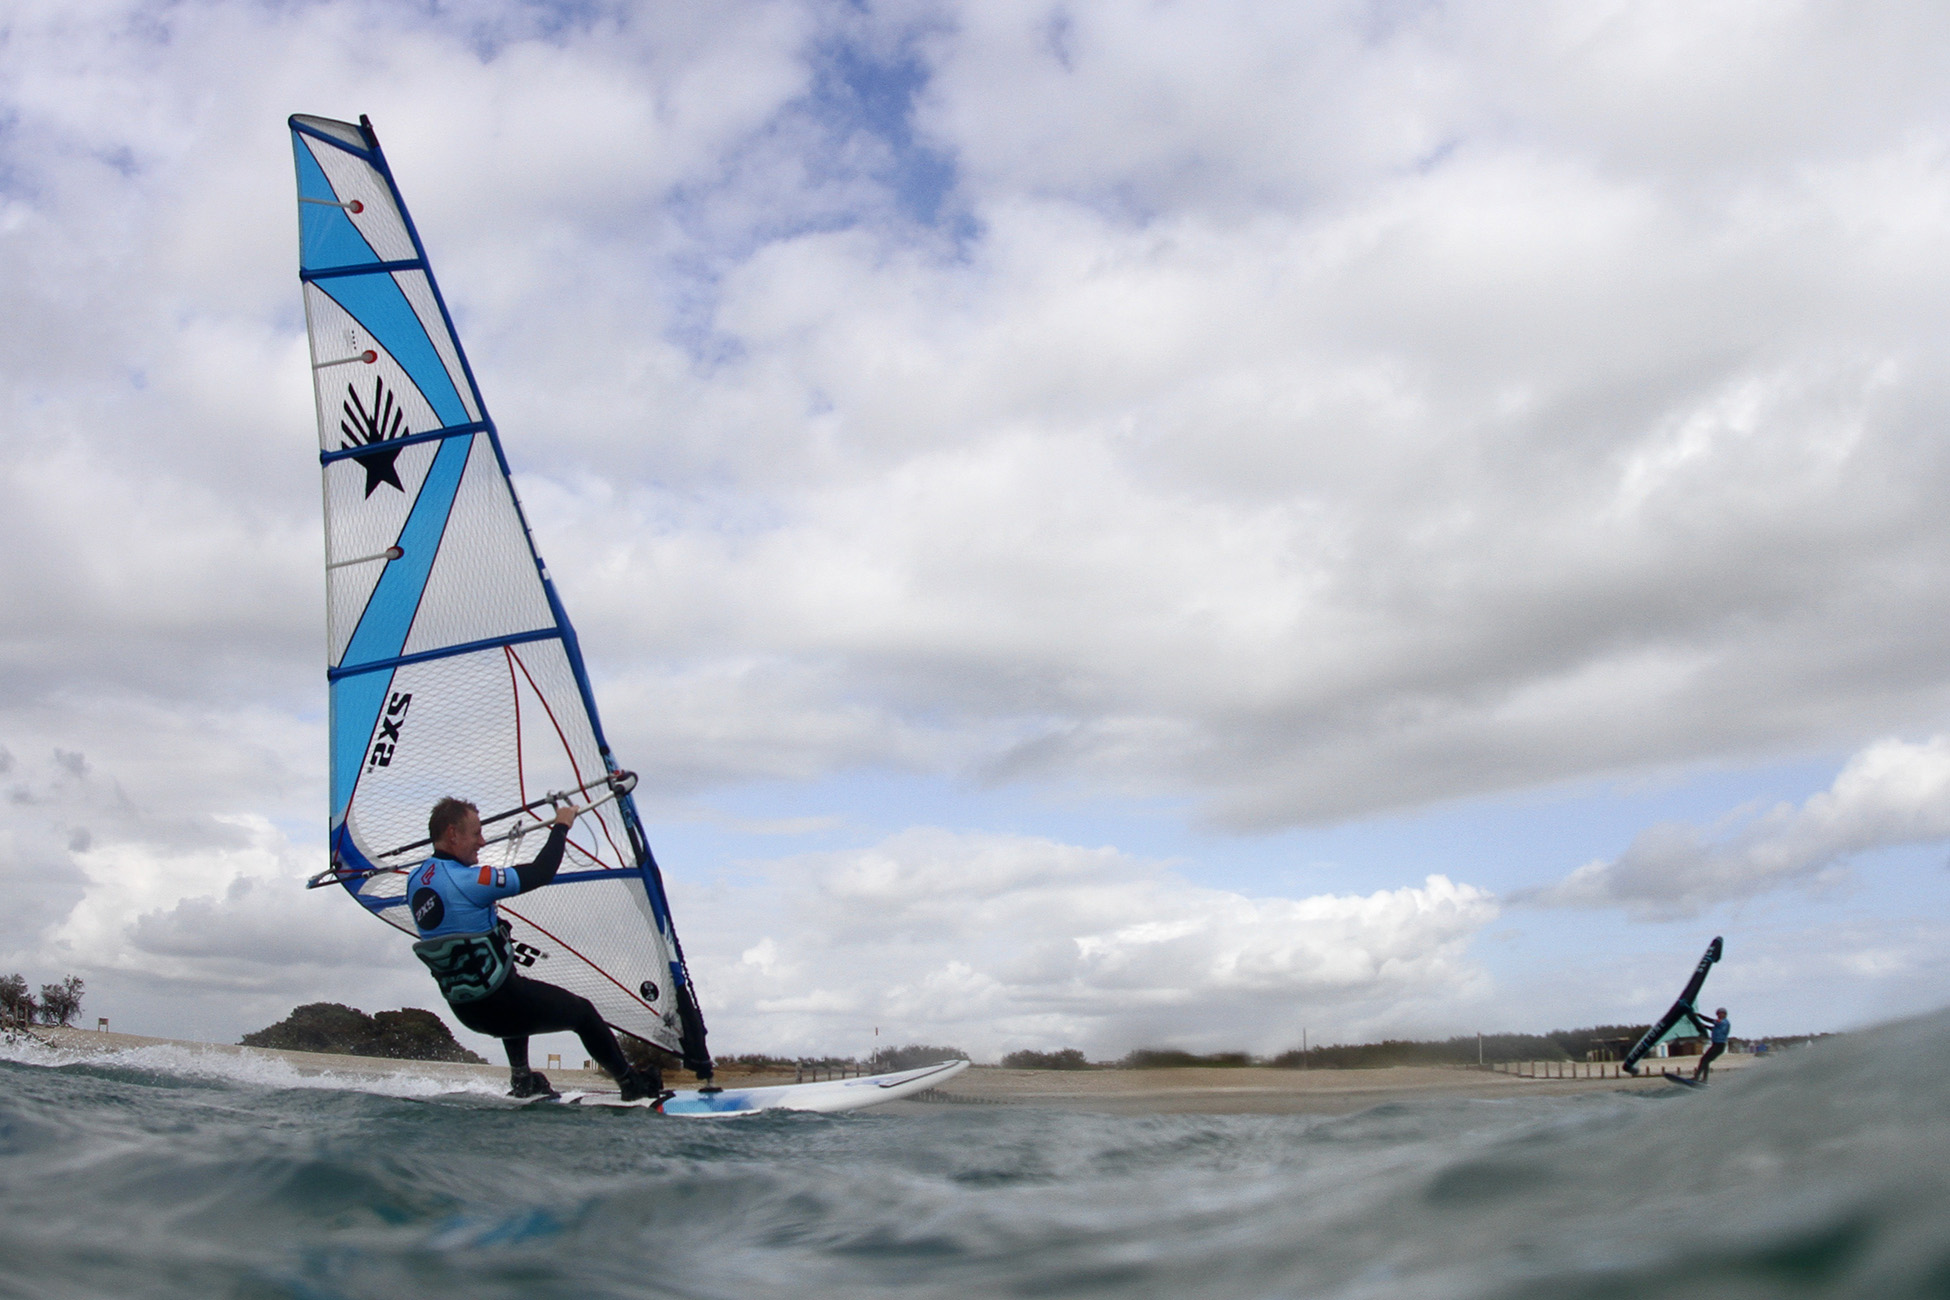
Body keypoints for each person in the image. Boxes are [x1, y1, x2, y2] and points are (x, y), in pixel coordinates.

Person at [408, 795, 663, 1101]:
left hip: (465, 1009)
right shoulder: (470, 881)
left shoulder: (415, 881)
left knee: (511, 983)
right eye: (476, 833)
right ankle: (630, 1083)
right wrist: (561, 825)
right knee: (582, 1014)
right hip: (500, 1005)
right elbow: (542, 872)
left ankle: (521, 1078)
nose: (482, 841)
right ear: (452, 834)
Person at [1693, 1006, 1730, 1082]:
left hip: (1719, 1046)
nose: (1719, 1015)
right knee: (1705, 1060)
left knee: (1704, 1060)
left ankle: (1698, 1078)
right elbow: (1713, 1029)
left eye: (1721, 1014)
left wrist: (1699, 1015)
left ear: (1725, 1014)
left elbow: (1710, 1020)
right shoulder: (1720, 1024)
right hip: (1716, 1045)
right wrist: (1705, 1026)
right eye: (1718, 1014)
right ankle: (1703, 1079)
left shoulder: (1724, 1022)